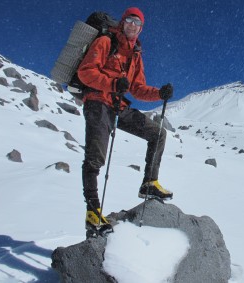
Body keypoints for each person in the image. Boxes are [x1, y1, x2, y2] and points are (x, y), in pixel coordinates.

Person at [77, 7, 173, 232]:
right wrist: (112, 84)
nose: (132, 26)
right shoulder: (105, 42)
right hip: (98, 102)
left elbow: (138, 89)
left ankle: (149, 183)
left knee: (158, 133)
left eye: (137, 23)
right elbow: (85, 72)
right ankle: (92, 211)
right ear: (122, 22)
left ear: (141, 29)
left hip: (118, 105)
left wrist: (159, 94)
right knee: (95, 158)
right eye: (129, 20)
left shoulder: (136, 55)